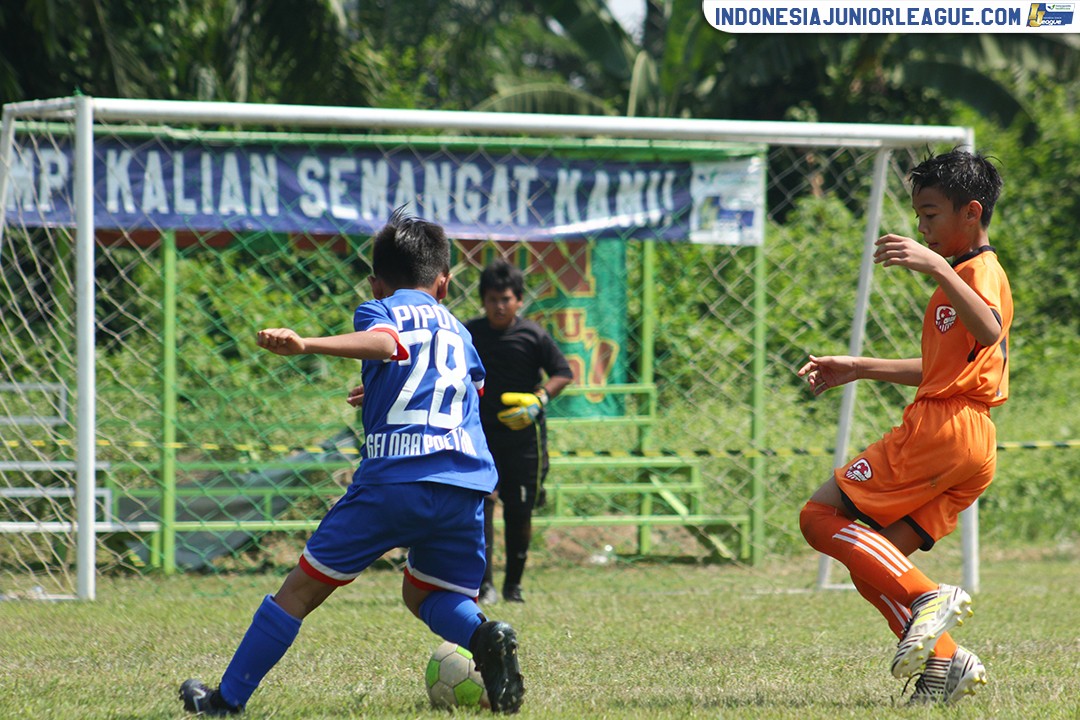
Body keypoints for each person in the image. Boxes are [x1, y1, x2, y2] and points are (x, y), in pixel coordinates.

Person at [178, 209, 525, 715]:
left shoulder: (379, 309)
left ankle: (225, 701)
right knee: (426, 593)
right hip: (464, 485)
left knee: (298, 591)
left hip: (395, 482)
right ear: (444, 283)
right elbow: (460, 392)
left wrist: (306, 343)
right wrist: (384, 391)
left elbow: (388, 344)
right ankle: (486, 635)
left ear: (376, 282)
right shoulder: (462, 333)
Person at [797, 148, 1010, 705]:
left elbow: (988, 331)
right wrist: (858, 366)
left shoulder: (975, 271)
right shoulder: (962, 280)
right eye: (918, 216)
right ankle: (944, 666)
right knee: (874, 565)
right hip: (971, 442)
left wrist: (936, 265)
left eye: (931, 214)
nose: (922, 228)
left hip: (943, 429)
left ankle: (931, 599)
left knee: (820, 515)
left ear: (971, 212)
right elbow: (946, 365)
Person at [465, 260, 574, 604]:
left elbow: (563, 372)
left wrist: (539, 400)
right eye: (493, 298)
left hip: (524, 440)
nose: (500, 306)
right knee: (482, 505)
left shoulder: (533, 334)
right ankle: (484, 586)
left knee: (519, 509)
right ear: (483, 299)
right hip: (479, 435)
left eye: (507, 299)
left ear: (519, 300)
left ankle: (514, 586)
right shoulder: (469, 333)